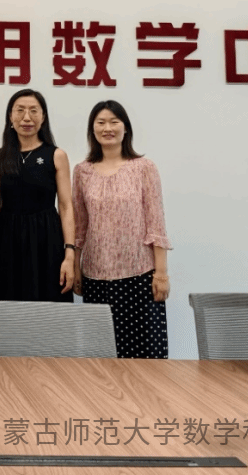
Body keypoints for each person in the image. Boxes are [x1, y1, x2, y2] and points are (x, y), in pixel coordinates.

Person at [72, 100, 172, 359]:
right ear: (92, 129)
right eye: (101, 122)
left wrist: (161, 274)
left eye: (114, 122)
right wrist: (76, 267)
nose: (108, 128)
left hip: (139, 275)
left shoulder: (144, 168)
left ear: (125, 128)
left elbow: (156, 222)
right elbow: (79, 226)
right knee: (102, 355)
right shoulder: (82, 172)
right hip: (96, 276)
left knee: (145, 354)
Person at [0, 89, 75, 302]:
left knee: (50, 303)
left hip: (48, 239)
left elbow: (66, 207)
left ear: (43, 117)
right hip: (7, 240)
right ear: (10, 116)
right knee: (9, 304)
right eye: (20, 110)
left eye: (34, 111)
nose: (27, 117)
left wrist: (69, 254)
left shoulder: (56, 155)